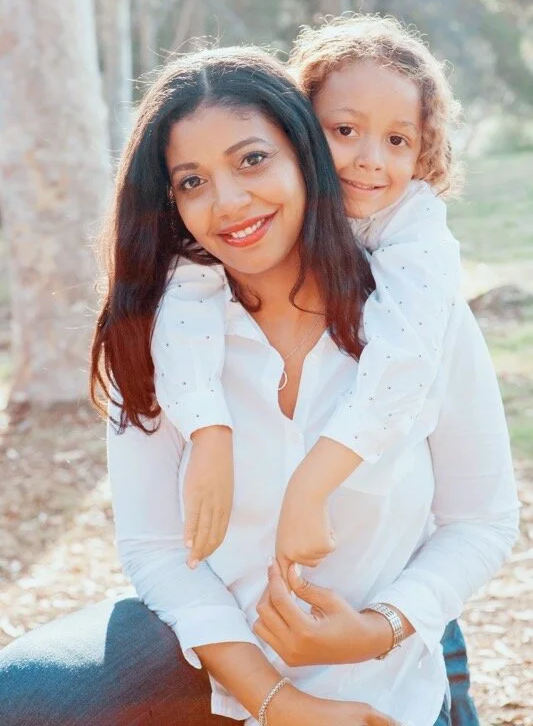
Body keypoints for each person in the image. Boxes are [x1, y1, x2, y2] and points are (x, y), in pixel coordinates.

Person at [0, 46, 518, 726]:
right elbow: (157, 550)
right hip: (219, 664)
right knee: (24, 697)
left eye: (251, 160)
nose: (229, 202)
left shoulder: (416, 319)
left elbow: (478, 522)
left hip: (387, 669)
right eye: (192, 181)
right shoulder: (160, 334)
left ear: (305, 154)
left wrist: (379, 628)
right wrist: (278, 702)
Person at [146, 15, 479, 721]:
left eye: (398, 140)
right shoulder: (184, 298)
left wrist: (312, 491)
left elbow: (475, 513)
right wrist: (208, 430)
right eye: (344, 130)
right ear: (303, 129)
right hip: (241, 671)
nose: (369, 161)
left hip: (402, 650)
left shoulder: (414, 257)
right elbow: (154, 549)